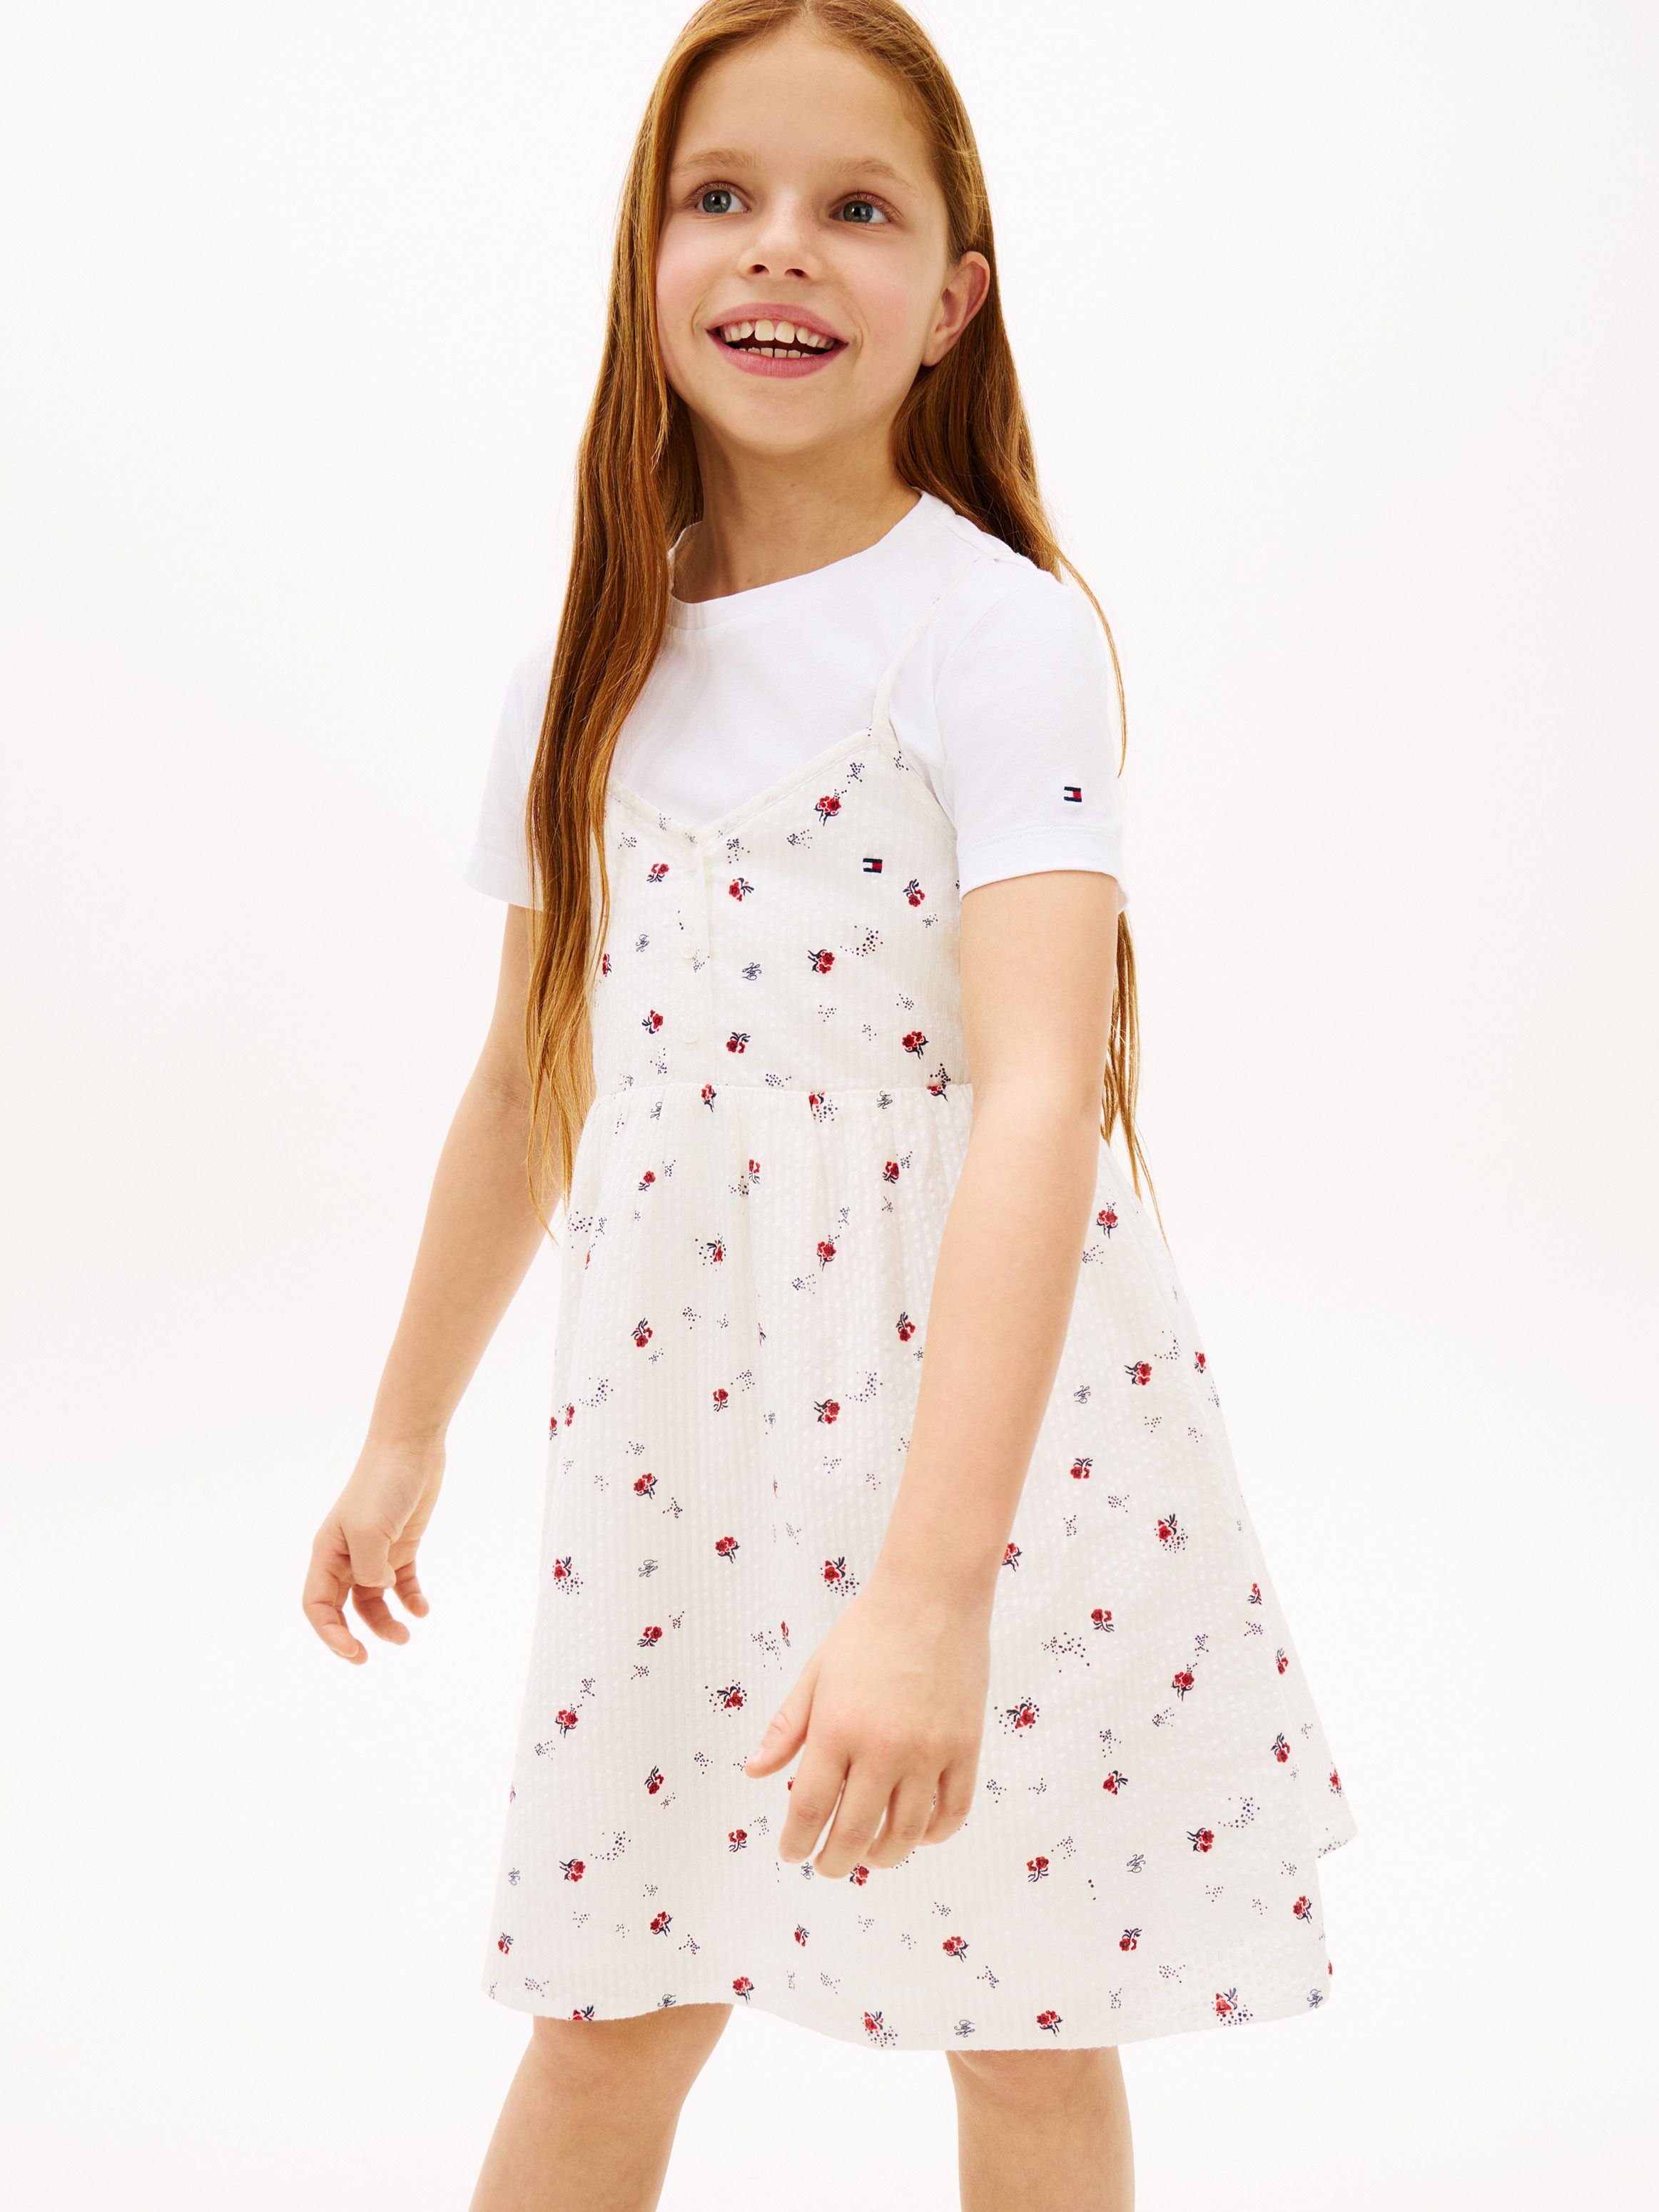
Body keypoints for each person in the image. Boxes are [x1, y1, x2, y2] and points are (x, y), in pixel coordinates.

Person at [302, 4, 1356, 2205]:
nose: (781, 245)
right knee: (607, 2010)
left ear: (953, 298)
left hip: (981, 1447)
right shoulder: (585, 663)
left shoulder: (991, 634)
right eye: (725, 195)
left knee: (1026, 2031)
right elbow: (524, 1076)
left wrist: (934, 1592)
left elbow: (1043, 1095)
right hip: (680, 1449)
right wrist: (403, 1432)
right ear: (649, 260)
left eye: (855, 207)